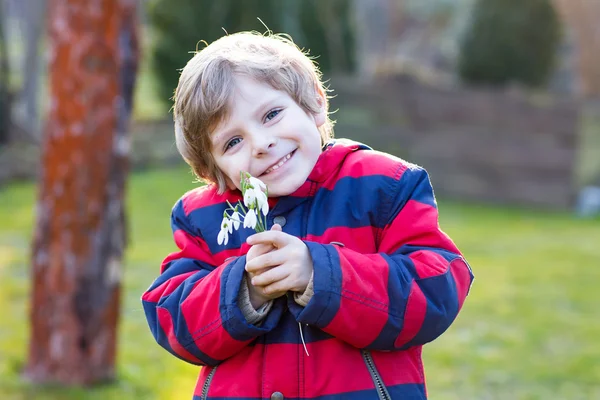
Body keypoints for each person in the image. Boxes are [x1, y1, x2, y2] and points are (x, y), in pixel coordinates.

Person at [142, 31, 474, 400]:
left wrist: (321, 273)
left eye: (271, 114)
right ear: (211, 167)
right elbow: (170, 317)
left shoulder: (384, 185)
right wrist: (244, 289)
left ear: (314, 103)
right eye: (233, 142)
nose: (261, 144)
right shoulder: (202, 217)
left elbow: (436, 290)